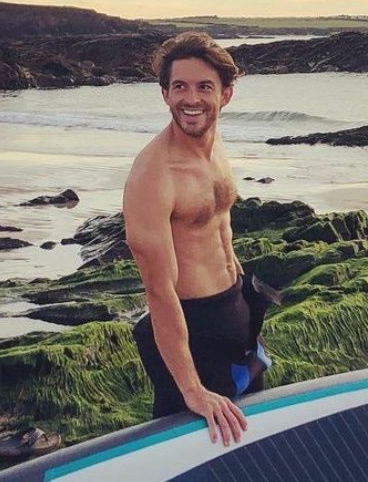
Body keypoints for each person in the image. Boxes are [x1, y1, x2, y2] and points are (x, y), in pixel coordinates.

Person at [123, 32, 273, 448]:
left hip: (236, 313)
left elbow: (216, 226)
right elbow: (159, 292)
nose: (192, 99)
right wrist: (191, 388)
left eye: (204, 87)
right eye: (180, 87)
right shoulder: (153, 176)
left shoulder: (212, 142)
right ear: (165, 95)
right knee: (197, 456)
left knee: (250, 448)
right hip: (193, 333)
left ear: (226, 95)